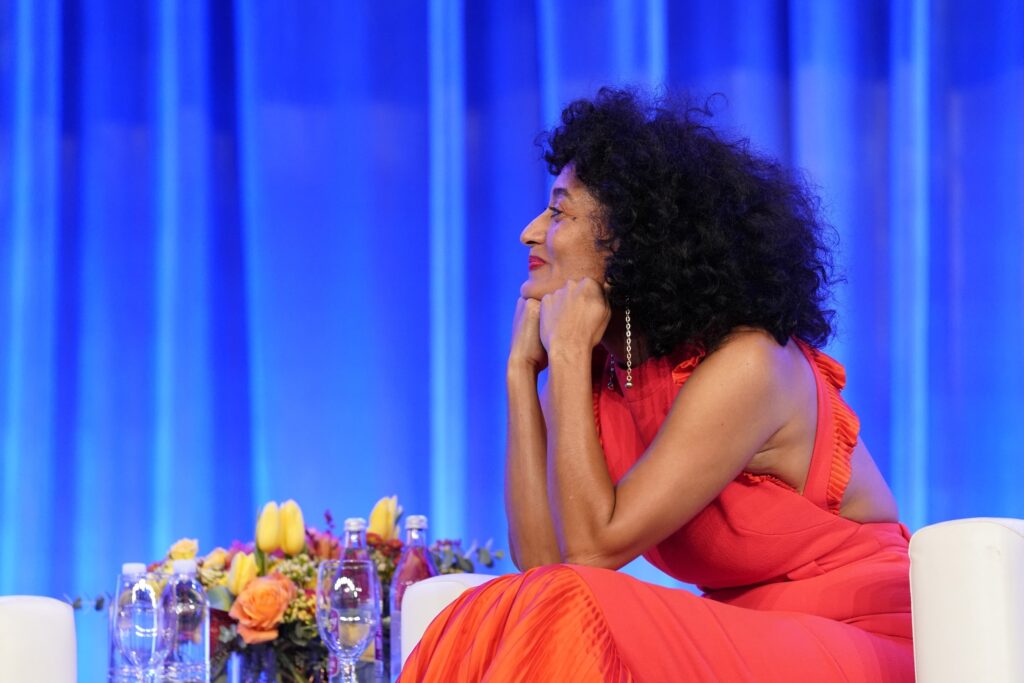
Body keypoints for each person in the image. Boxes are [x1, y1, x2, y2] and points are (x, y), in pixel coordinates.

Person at [399, 88, 913, 681]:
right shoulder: (599, 368)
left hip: (859, 638)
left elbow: (592, 555)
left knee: (574, 607)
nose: (530, 232)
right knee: (495, 608)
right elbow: (543, 564)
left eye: (560, 212)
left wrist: (564, 354)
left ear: (628, 239)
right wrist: (521, 374)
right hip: (738, 633)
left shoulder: (750, 363)